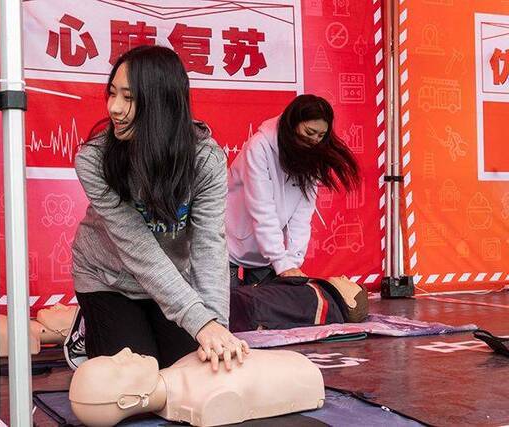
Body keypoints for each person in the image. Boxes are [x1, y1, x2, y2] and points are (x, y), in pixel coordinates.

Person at [68, 45, 248, 371]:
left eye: (129, 98)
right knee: (140, 377)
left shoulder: (205, 160)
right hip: (109, 280)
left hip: (171, 281)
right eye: (112, 94)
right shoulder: (94, 159)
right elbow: (138, 247)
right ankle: (88, 330)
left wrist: (215, 325)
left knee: (197, 370)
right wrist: (199, 322)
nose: (114, 108)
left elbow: (209, 244)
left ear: (162, 103)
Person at [226, 94, 360, 287]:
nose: (315, 140)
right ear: (293, 123)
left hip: (266, 253)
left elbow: (302, 215)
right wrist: (281, 261)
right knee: (227, 308)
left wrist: (292, 262)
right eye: (310, 132)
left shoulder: (312, 157)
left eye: (321, 135)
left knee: (266, 310)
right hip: (229, 243)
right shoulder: (259, 147)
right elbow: (262, 208)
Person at [69, 347, 325, 427]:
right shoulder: (205, 399)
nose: (125, 351)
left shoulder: (181, 367)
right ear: (126, 400)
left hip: (299, 366)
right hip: (304, 375)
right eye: (117, 365)